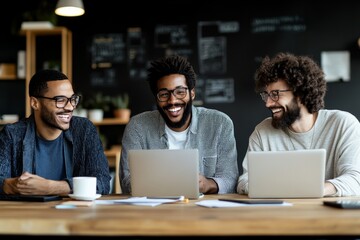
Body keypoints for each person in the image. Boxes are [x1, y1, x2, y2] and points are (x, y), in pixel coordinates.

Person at [237, 52, 360, 197]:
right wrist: (292, 190)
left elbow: (355, 179)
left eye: (275, 94)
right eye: (266, 95)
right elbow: (245, 181)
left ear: (300, 93)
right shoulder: (262, 132)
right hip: (278, 215)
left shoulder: (343, 124)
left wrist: (314, 190)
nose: (268, 103)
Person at [120, 55, 238, 194]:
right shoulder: (137, 127)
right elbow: (127, 180)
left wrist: (207, 184)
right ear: (157, 98)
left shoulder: (220, 124)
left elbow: (230, 179)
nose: (173, 101)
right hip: (153, 211)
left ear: (192, 93)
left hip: (204, 212)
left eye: (180, 92)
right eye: (164, 94)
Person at [0, 69, 111, 196]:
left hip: (75, 214)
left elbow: (102, 182)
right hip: (28, 214)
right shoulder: (12, 135)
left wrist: (50, 187)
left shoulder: (84, 130)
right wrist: (11, 186)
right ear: (35, 103)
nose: (70, 107)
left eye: (72, 99)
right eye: (60, 100)